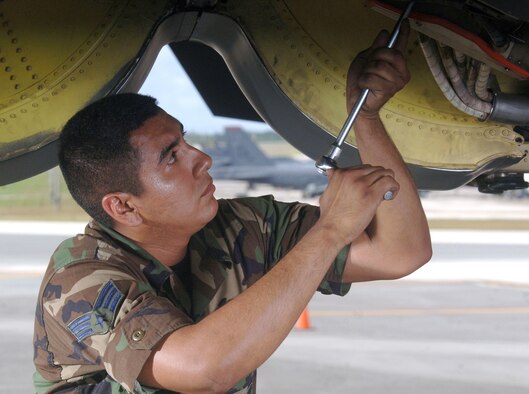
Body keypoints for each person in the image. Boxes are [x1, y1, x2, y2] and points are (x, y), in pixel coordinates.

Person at [33, 23, 431, 394]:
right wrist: (329, 232)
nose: (202, 158)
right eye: (172, 157)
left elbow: (401, 252)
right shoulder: (79, 279)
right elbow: (201, 369)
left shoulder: (241, 225)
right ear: (123, 206)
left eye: (185, 141)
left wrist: (366, 117)